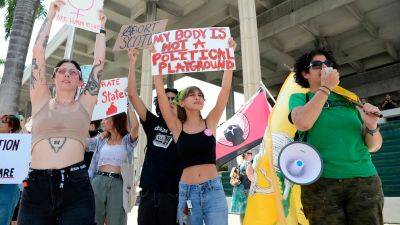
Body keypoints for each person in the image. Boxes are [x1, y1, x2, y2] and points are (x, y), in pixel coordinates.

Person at [17, 1, 107, 224]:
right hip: (36, 186)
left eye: (73, 72)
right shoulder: (40, 99)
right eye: (62, 71)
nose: (67, 74)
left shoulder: (86, 104)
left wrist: (101, 28)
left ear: (80, 80)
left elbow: (99, 62)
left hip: (75, 185)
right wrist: (50, 16)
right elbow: (38, 52)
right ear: (54, 77)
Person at [289, 49, 384, 225]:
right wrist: (325, 88)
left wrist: (372, 126)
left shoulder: (350, 99)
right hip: (320, 184)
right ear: (305, 73)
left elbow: (373, 146)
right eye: (317, 65)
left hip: (364, 180)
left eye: (328, 64)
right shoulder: (300, 98)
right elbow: (303, 123)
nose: (324, 67)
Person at [153, 38, 237, 225]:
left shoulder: (211, 122)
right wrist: (156, 60)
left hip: (213, 190)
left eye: (200, 95)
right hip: (187, 192)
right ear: (181, 102)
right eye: (192, 94)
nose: (197, 97)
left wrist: (229, 57)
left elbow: (224, 90)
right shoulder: (176, 127)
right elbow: (160, 95)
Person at [126, 49, 182, 225]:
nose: (171, 101)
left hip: (171, 194)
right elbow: (133, 95)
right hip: (148, 192)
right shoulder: (152, 121)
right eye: (167, 98)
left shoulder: (184, 127)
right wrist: (133, 62)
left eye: (174, 98)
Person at [86, 111, 139, 225]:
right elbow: (85, 144)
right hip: (98, 181)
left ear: (116, 120)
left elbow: (135, 127)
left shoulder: (127, 141)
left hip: (118, 183)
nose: (102, 122)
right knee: (93, 219)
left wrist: (129, 101)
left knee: (116, 220)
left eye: (106, 119)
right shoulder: (101, 139)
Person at [0, 115, 21, 225]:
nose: (0, 123)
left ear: (11, 126)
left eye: (3, 122)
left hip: (7, 187)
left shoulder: (18, 144)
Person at [230, 152, 252, 224]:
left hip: (239, 189)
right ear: (245, 155)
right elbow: (251, 177)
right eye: (249, 153)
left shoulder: (239, 164)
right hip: (246, 189)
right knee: (247, 210)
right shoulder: (247, 164)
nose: (251, 155)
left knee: (242, 210)